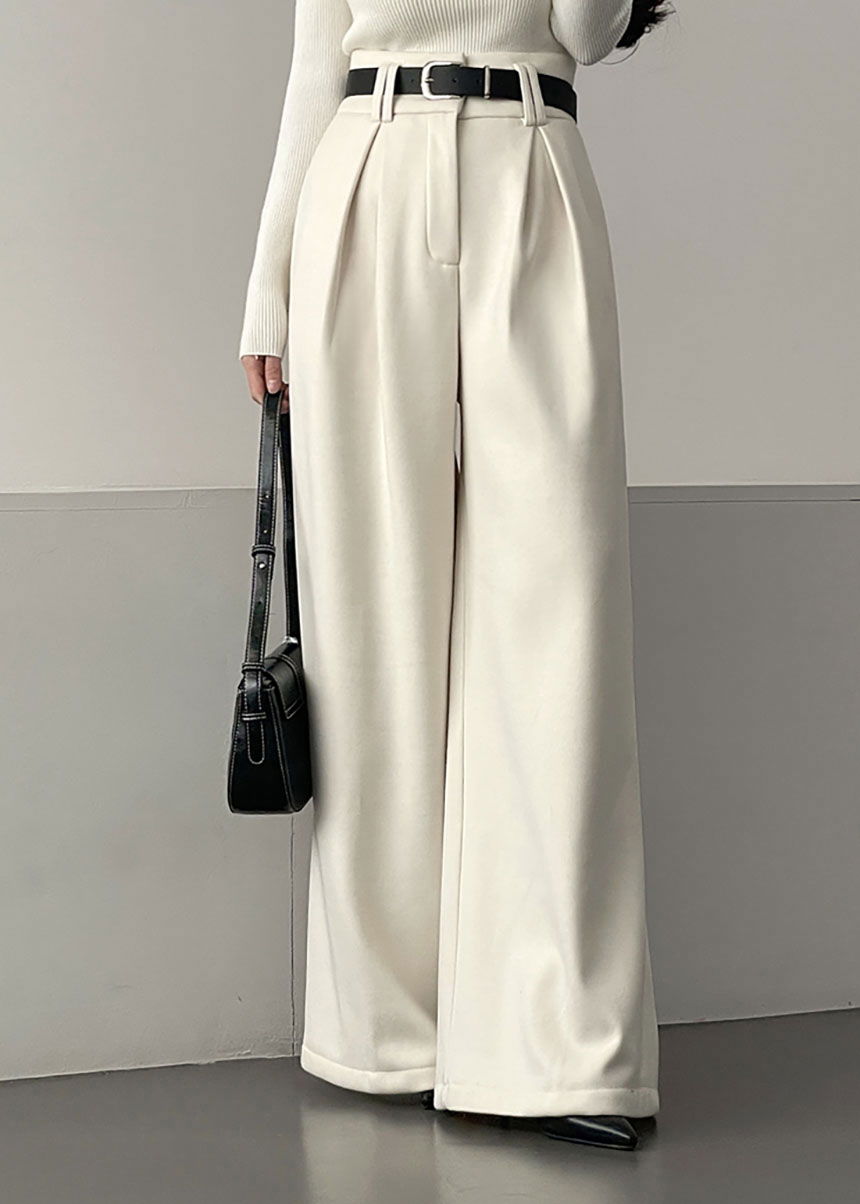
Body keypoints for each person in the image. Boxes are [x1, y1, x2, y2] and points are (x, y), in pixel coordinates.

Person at [239, 0, 671, 1152]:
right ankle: (389, 1028)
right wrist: (268, 285)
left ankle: (561, 1042)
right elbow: (315, 58)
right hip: (365, 171)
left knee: (560, 618)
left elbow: (584, 32)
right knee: (372, 622)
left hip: (531, 159)